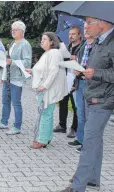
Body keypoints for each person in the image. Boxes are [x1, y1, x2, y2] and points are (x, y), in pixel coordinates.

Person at [59, 17, 114, 192]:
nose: (86, 27)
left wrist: (95, 73)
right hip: (91, 96)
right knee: (95, 141)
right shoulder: (98, 42)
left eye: (89, 23)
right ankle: (92, 179)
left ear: (103, 23)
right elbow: (94, 67)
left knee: (89, 142)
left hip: (103, 100)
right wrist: (83, 72)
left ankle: (77, 186)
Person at [25, 32, 68, 149]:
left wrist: (45, 86)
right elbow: (44, 70)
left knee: (44, 114)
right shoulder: (48, 53)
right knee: (47, 113)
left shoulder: (54, 53)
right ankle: (47, 138)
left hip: (47, 89)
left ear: (52, 42)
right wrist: (32, 71)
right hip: (44, 88)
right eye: (41, 39)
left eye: (44, 39)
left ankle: (42, 140)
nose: (42, 41)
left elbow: (53, 71)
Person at [0, 20, 32, 135]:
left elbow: (27, 62)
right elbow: (6, 62)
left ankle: (17, 127)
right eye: (12, 29)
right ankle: (3, 122)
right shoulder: (13, 44)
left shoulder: (25, 44)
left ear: (22, 31)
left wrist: (12, 62)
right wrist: (4, 76)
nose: (13, 31)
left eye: (16, 29)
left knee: (16, 103)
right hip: (8, 78)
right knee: (5, 101)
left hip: (17, 78)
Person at [67, 22, 96, 152]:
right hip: (79, 82)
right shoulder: (84, 44)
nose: (86, 30)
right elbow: (81, 61)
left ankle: (88, 144)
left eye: (89, 27)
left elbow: (97, 65)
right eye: (85, 28)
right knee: (80, 112)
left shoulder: (98, 45)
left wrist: (82, 69)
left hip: (90, 84)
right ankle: (80, 138)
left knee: (88, 114)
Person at [54, 26, 82, 138]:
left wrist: (76, 58)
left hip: (76, 78)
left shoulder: (82, 47)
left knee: (75, 105)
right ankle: (62, 125)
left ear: (80, 35)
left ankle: (74, 129)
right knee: (63, 101)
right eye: (70, 34)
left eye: (74, 34)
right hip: (66, 77)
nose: (71, 36)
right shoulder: (67, 47)